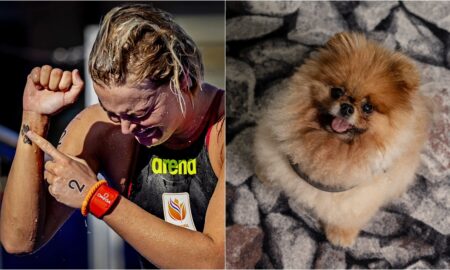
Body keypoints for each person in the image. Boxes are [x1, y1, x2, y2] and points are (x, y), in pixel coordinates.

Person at [0, 4, 224, 269]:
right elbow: (19, 240)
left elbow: (216, 261)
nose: (128, 129)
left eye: (141, 112)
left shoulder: (230, 130)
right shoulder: (105, 130)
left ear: (182, 79)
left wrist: (98, 198)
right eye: (115, 114)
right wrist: (33, 118)